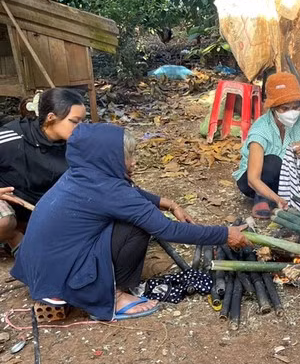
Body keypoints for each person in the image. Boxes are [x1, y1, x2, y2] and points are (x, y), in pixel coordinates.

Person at [12, 123, 249, 321]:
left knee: (132, 217)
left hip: (41, 271)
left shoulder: (85, 174)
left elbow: (130, 193)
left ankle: (96, 285)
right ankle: (115, 297)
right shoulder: (109, 190)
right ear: (108, 157)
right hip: (59, 282)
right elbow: (166, 229)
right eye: (127, 157)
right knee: (137, 226)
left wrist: (168, 203)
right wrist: (225, 234)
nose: (134, 162)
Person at [0, 88, 86, 256]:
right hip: (8, 203)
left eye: (83, 121)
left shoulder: (76, 146)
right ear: (51, 118)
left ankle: (25, 231)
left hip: (37, 209)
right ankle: (14, 236)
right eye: (74, 121)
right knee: (3, 222)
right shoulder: (11, 138)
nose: (80, 128)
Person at [234, 72, 300, 219]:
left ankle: (294, 191)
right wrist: (277, 200)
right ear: (274, 108)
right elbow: (252, 179)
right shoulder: (261, 130)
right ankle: (262, 199)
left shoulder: (299, 120)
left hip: (284, 177)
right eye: (285, 108)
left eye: (295, 107)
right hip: (254, 182)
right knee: (274, 161)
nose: (291, 113)